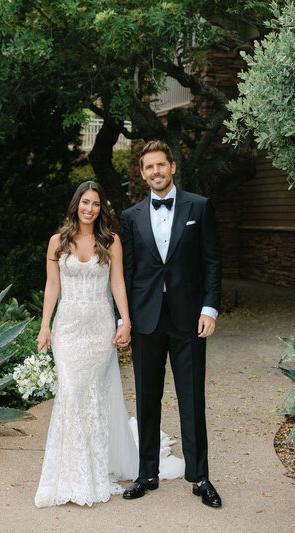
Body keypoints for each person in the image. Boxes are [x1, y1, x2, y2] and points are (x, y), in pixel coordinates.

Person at [35, 181, 184, 508]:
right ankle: (70, 473)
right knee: (71, 392)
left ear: (101, 209)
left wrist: (125, 321)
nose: (90, 208)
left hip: (100, 328)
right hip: (68, 330)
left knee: (93, 397)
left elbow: (118, 283)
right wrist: (44, 326)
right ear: (76, 204)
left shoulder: (111, 242)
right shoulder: (57, 242)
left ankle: (94, 468)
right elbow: (51, 287)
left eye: (96, 204)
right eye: (85, 202)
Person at [119, 141, 222, 507]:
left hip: (189, 319)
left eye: (161, 165)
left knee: (192, 398)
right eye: (149, 167)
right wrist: (124, 319)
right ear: (143, 172)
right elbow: (127, 273)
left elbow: (211, 261)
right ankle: (146, 473)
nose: (156, 172)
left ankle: (200, 477)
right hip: (146, 319)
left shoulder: (200, 206)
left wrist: (209, 309)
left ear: (172, 167)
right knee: (147, 398)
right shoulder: (130, 216)